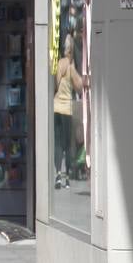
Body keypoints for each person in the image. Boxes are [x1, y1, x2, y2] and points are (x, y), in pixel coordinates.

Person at [53, 35, 86, 189]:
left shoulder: (58, 64)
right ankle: (66, 178)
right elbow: (79, 85)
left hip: (56, 108)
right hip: (66, 109)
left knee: (58, 143)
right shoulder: (70, 65)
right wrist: (87, 80)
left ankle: (58, 174)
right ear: (71, 50)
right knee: (67, 144)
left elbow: (55, 84)